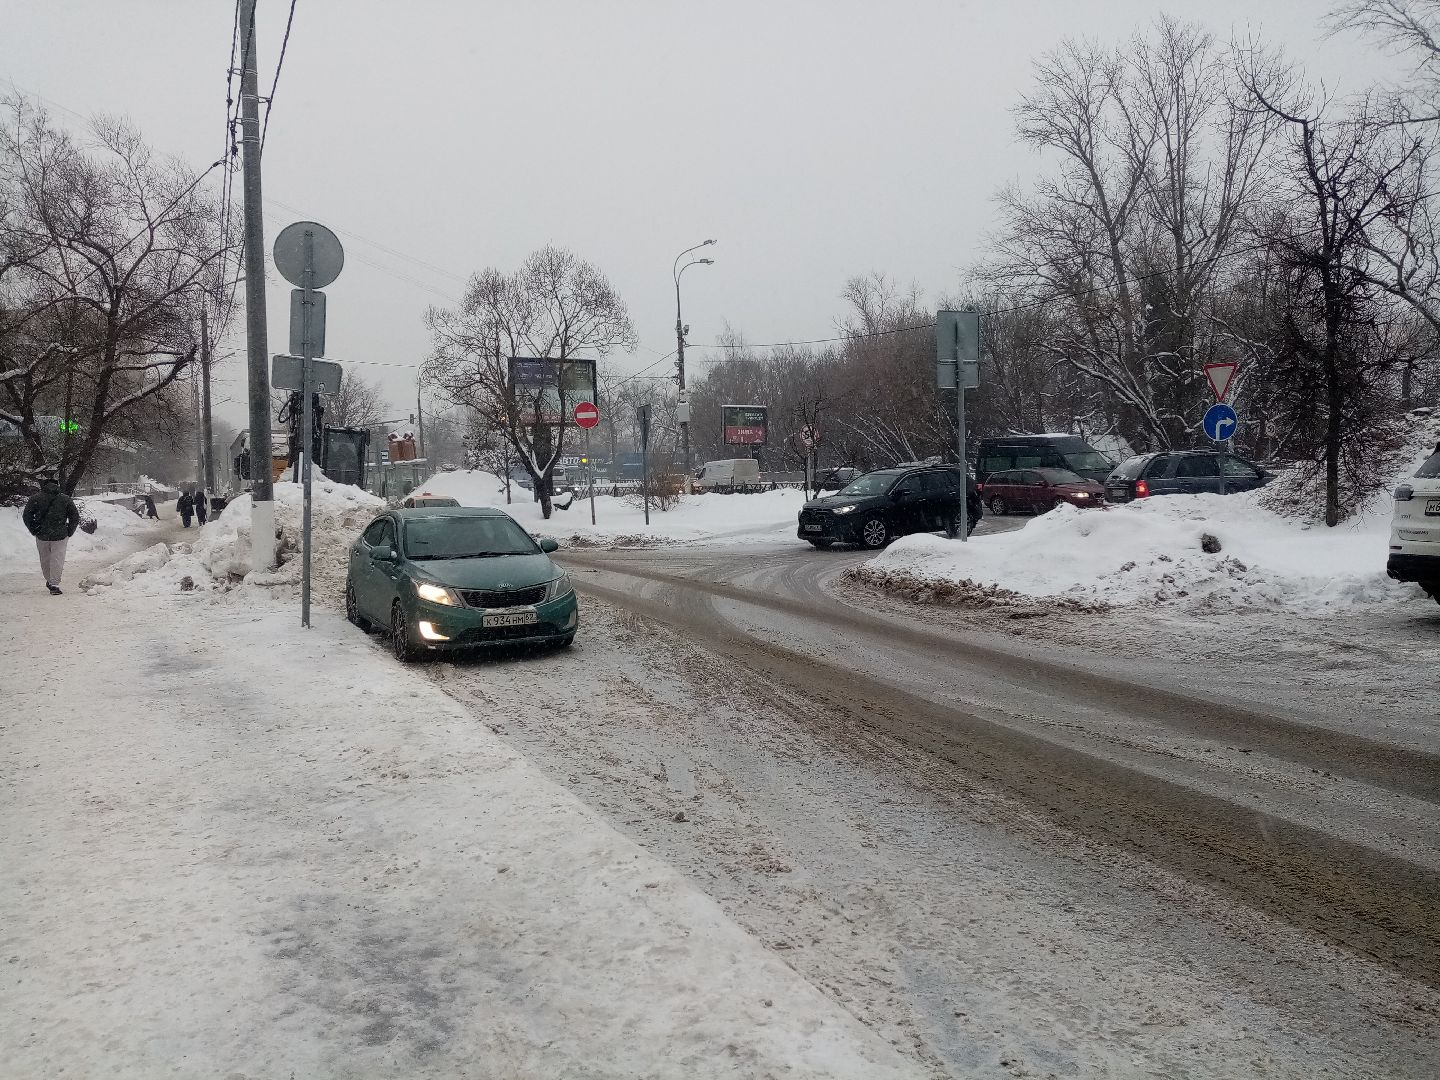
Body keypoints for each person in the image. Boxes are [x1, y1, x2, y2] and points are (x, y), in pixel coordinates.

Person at [22, 469, 80, 595]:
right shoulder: (65, 499)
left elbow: (27, 515)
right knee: (57, 559)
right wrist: (69, 531)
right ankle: (54, 584)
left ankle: (49, 579)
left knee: (45, 559)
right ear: (57, 485)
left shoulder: (35, 498)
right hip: (60, 535)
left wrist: (34, 529)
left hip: (42, 534)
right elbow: (75, 517)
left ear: (44, 485)